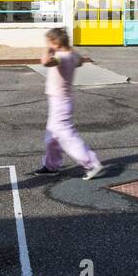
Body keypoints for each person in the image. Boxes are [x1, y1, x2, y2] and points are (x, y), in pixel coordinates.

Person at [31, 27, 104, 180]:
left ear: (56, 43)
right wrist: (70, 51)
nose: (47, 44)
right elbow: (79, 62)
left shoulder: (61, 57)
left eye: (49, 41)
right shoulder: (71, 55)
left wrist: (49, 48)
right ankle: (51, 166)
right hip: (62, 101)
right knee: (51, 137)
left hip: (60, 103)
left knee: (66, 136)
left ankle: (91, 163)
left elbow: (45, 62)